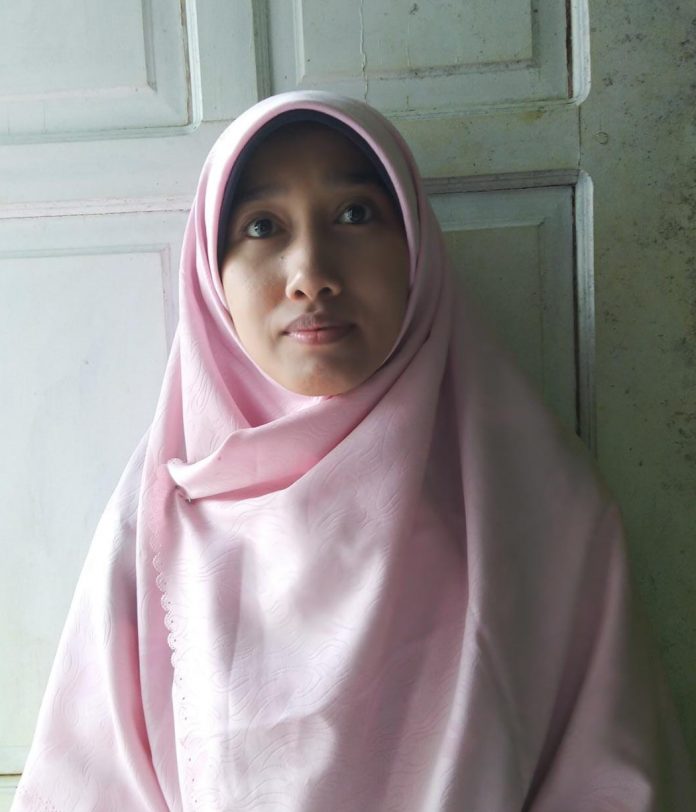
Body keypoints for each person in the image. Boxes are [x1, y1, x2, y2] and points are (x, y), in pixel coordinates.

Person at [12, 91, 695, 811]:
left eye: (356, 214)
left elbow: (614, 776)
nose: (311, 273)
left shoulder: (537, 506)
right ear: (211, 275)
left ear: (415, 249)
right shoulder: (155, 526)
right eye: (262, 226)